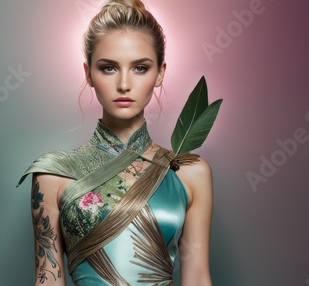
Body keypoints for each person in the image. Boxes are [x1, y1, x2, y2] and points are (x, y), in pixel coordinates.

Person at [18, 0, 214, 285]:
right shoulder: (53, 174)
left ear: (160, 72)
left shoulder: (190, 173)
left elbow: (197, 278)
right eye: (109, 68)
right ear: (88, 73)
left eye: (140, 68)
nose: (124, 84)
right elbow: (47, 279)